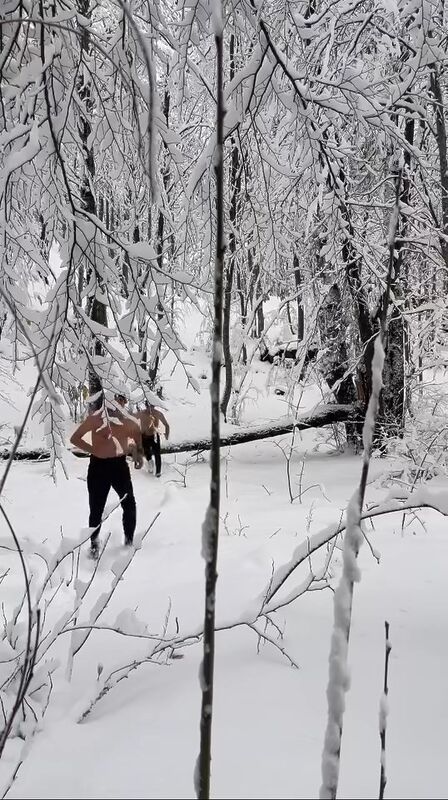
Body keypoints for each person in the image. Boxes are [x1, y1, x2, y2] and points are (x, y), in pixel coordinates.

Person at [70, 393, 144, 558]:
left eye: (123, 401)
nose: (121, 404)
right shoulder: (96, 419)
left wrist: (138, 454)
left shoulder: (126, 420)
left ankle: (129, 542)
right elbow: (75, 439)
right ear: (110, 400)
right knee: (96, 509)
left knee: (129, 504)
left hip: (119, 467)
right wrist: (95, 450)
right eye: (118, 400)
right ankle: (94, 545)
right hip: (98, 468)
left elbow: (137, 436)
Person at [136, 402, 170, 477]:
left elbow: (166, 424)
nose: (150, 409)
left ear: (154, 406)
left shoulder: (158, 413)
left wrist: (167, 434)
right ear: (146, 406)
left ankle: (158, 471)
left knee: (157, 453)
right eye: (149, 407)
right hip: (144, 435)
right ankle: (150, 462)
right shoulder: (141, 413)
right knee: (146, 451)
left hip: (154, 435)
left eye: (152, 407)